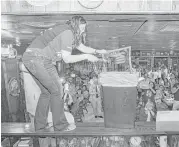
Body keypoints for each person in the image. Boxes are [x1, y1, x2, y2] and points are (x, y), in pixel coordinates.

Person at [22, 15, 107, 132]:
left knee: (47, 92)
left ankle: (40, 126)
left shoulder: (69, 32)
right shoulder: (67, 33)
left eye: (84, 29)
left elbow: (82, 47)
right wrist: (87, 57)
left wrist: (97, 51)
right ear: (75, 26)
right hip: (35, 58)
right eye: (81, 28)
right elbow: (66, 58)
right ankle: (60, 126)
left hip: (43, 60)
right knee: (57, 91)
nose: (83, 31)